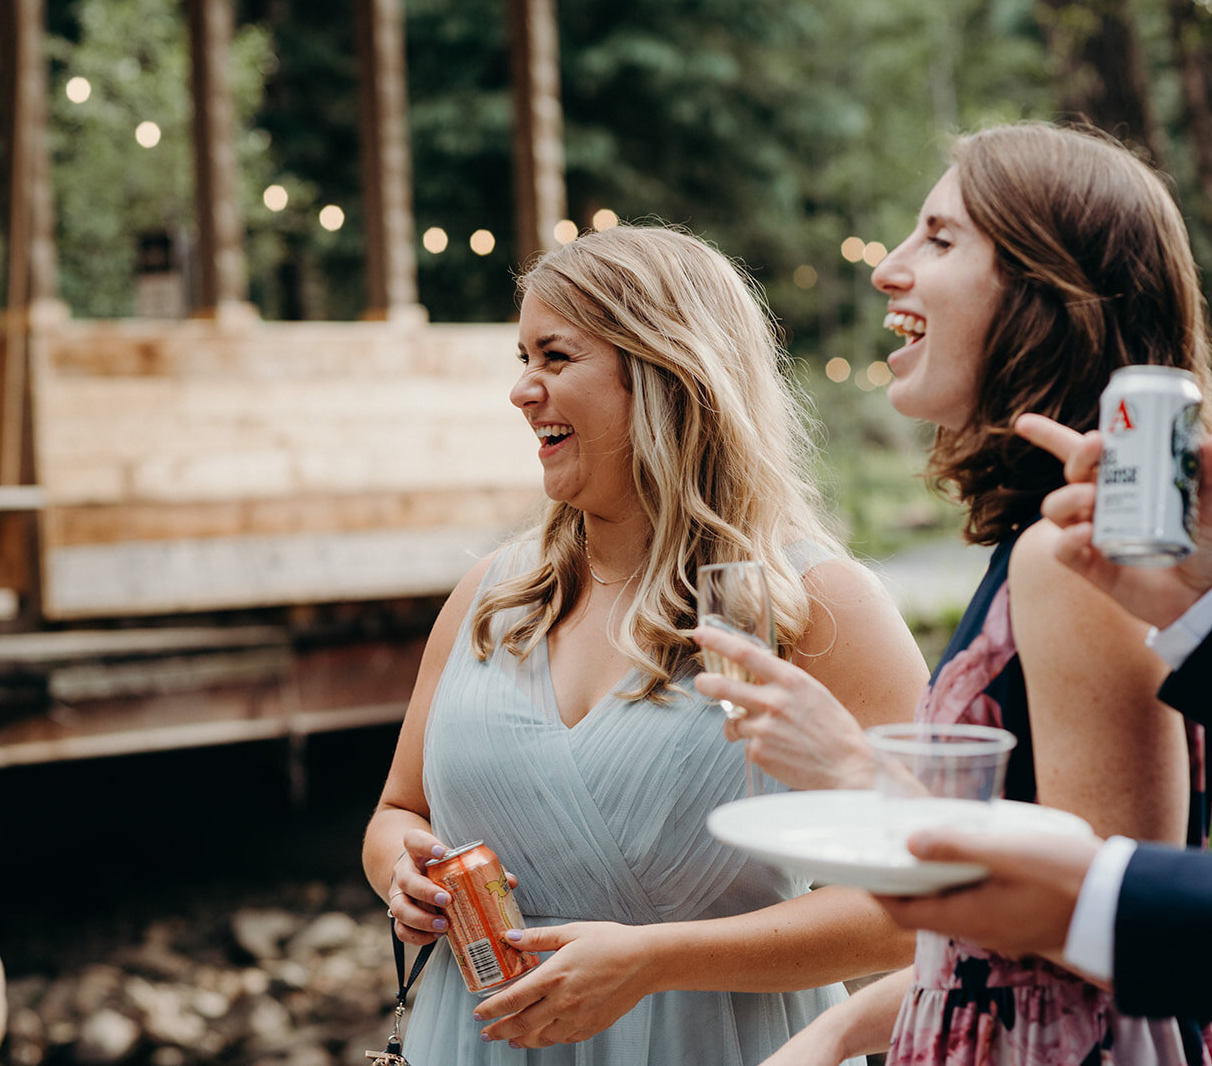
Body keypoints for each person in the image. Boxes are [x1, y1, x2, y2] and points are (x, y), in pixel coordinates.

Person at [868, 6, 1212, 1056]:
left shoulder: (1056, 565)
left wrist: (1096, 891)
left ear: (1041, 292)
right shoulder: (1073, 552)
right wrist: (1211, 607)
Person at [694, 122, 1212, 1066]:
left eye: (940, 240)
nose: (889, 270)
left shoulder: (1069, 563)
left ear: (1045, 293)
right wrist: (834, 1029)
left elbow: (1117, 926)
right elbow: (1007, 939)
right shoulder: (1052, 543)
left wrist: (852, 769)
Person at [360, 223, 930, 1064]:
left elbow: (922, 910)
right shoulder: (489, 597)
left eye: (554, 357)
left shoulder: (811, 605)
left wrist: (656, 963)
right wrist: (398, 870)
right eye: (522, 360)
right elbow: (397, 810)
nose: (522, 390)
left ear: (666, 372)